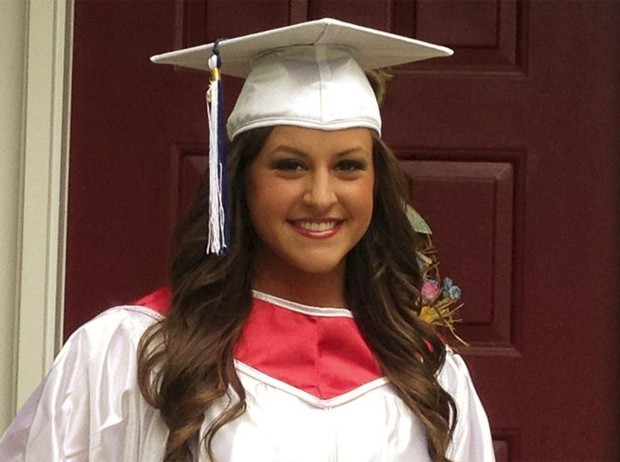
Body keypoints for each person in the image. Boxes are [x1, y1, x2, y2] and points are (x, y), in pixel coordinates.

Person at [0, 18, 495, 462]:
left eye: (348, 166)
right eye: (289, 165)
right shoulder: (132, 354)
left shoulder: (428, 375)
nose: (321, 196)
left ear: (375, 183)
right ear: (240, 180)